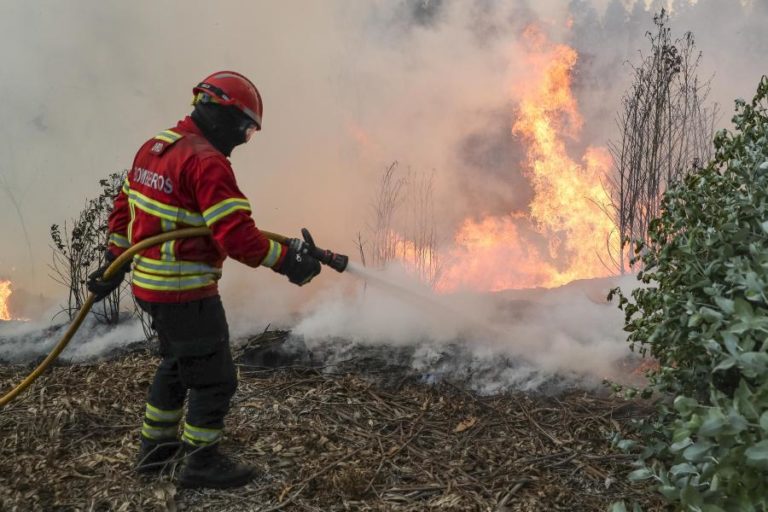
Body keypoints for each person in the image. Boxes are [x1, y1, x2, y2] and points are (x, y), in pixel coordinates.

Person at [87, 71, 321, 489]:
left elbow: (124, 205)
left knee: (177, 362)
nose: (244, 139)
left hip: (150, 287)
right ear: (223, 116)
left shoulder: (157, 147)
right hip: (184, 291)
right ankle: (201, 462)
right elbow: (238, 238)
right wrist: (289, 262)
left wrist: (114, 257)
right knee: (216, 379)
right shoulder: (207, 163)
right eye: (247, 129)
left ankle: (155, 453)